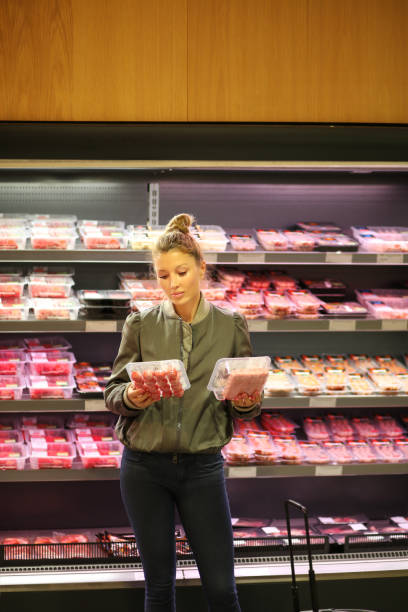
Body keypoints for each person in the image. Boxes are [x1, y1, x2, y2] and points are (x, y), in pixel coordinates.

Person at [104, 213, 262, 612]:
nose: (172, 284)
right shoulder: (140, 324)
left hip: (202, 467)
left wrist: (245, 401)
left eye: (181, 272)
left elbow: (247, 403)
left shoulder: (231, 325)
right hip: (143, 468)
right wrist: (132, 398)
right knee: (159, 588)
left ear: (201, 269)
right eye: (162, 276)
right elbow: (112, 392)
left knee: (223, 590)